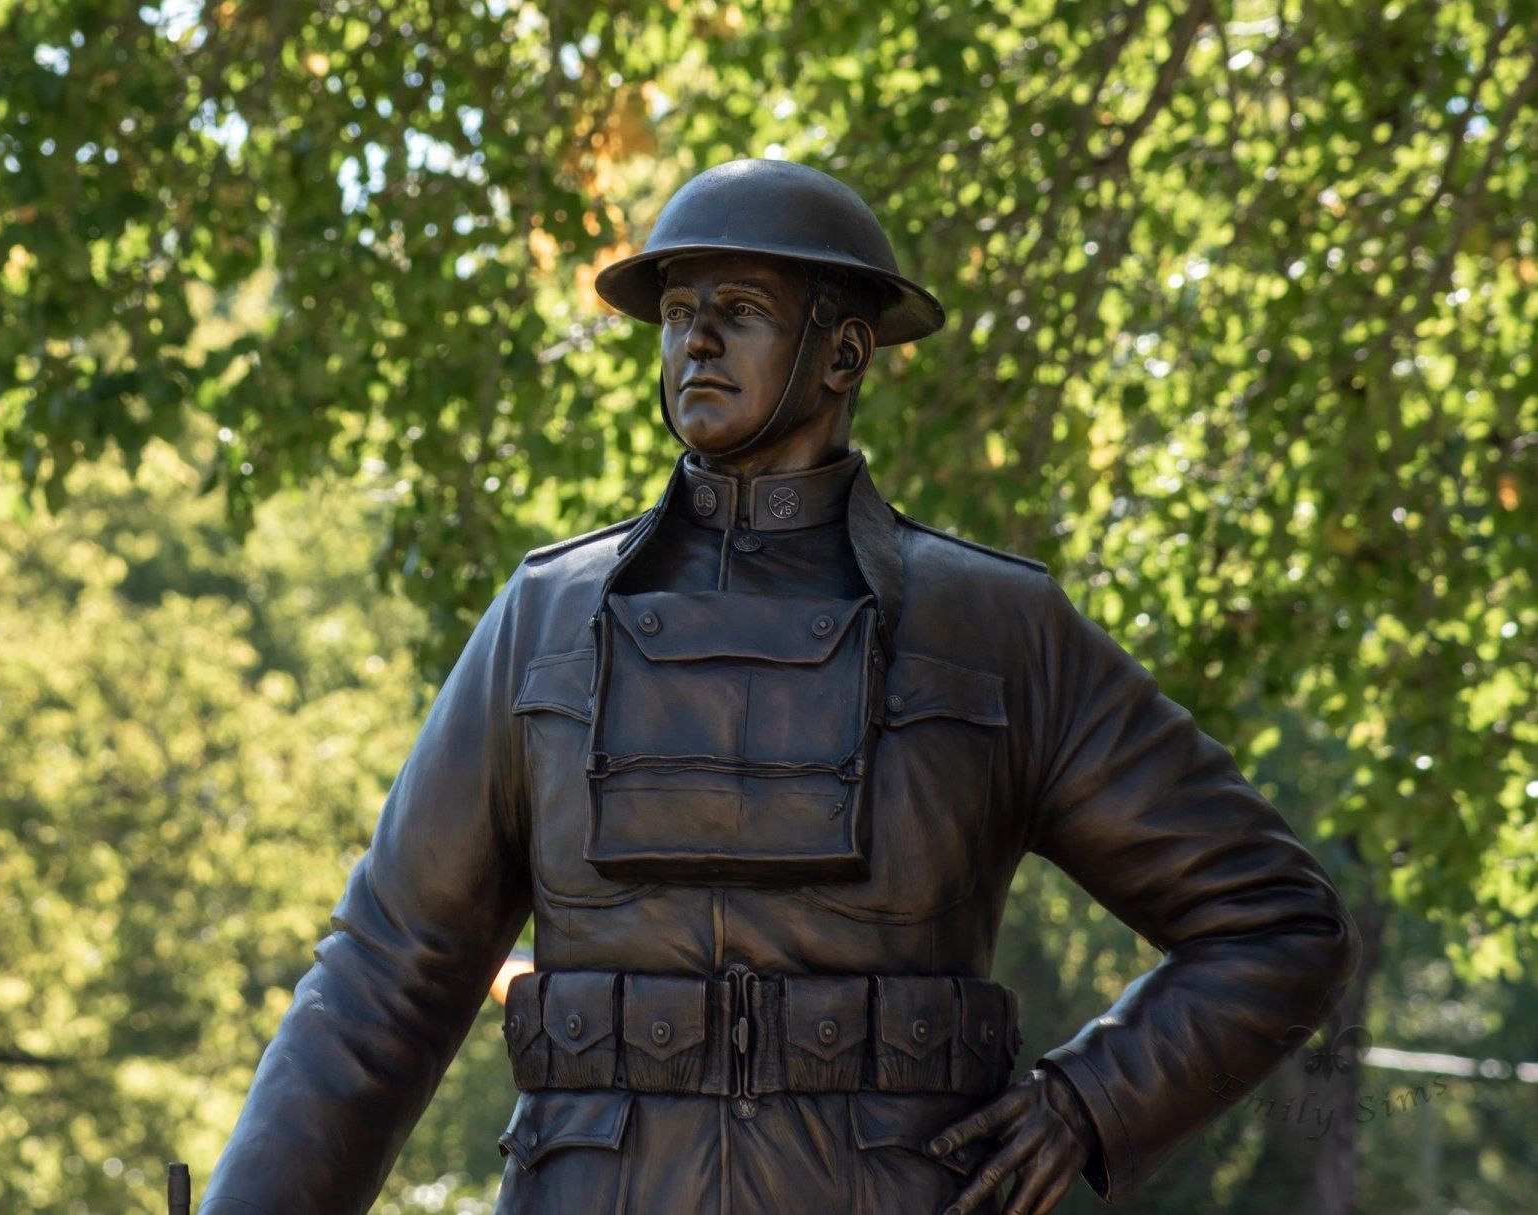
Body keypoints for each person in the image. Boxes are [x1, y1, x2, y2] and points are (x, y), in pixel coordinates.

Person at [200, 159, 1360, 1215]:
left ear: (846, 355)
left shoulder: (993, 629)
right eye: (678, 317)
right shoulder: (544, 620)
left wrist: (1089, 1105)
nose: (696, 345)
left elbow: (1274, 923)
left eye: (740, 313)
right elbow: (383, 981)